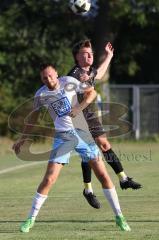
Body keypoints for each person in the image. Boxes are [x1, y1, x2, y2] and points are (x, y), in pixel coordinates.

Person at [12, 64, 131, 233]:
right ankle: (30, 219)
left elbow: (91, 93)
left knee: (103, 175)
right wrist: (22, 138)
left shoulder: (69, 81)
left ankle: (120, 217)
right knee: (49, 179)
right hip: (63, 137)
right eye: (44, 78)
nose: (48, 80)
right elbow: (33, 118)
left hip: (83, 134)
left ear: (57, 74)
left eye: (50, 76)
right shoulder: (41, 94)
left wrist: (79, 108)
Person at [68, 39, 142, 209]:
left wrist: (109, 56)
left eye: (91, 53)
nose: (89, 56)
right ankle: (88, 190)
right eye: (85, 54)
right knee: (89, 154)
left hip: (89, 115)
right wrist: (82, 82)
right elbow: (77, 85)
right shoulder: (74, 73)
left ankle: (123, 179)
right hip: (77, 116)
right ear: (76, 57)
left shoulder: (87, 71)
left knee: (104, 144)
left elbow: (98, 74)